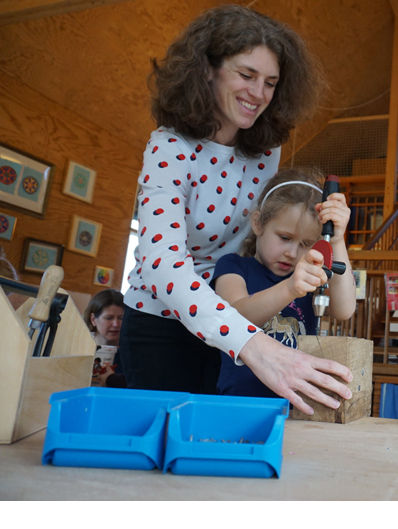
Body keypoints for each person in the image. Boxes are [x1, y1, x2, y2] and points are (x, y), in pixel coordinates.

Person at [119, 5, 352, 414]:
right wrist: (251, 342)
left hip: (237, 322)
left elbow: (264, 232)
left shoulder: (265, 152)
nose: (258, 93)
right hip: (166, 326)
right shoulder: (168, 148)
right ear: (207, 70)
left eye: (270, 83)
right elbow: (161, 264)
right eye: (246, 75)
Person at [212, 168, 356, 397]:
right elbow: (233, 318)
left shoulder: (310, 274)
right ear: (258, 223)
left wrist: (337, 240)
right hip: (239, 401)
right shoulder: (233, 266)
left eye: (306, 243)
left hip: (295, 403)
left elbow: (345, 310)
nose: (292, 252)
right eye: (285, 238)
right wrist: (290, 289)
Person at [83, 289, 126, 388]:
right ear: (93, 319)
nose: (116, 324)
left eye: (121, 318)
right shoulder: (80, 349)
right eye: (109, 318)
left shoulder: (130, 354)